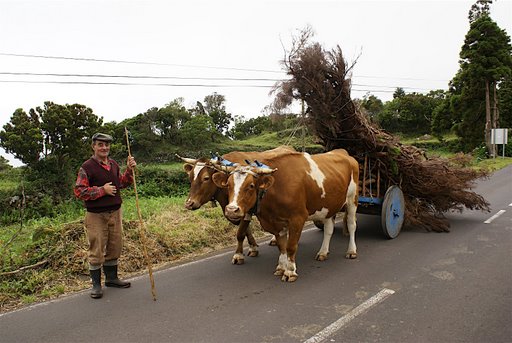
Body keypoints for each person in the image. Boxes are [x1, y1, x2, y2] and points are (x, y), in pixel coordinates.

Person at [74, 132, 136, 299]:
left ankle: (112, 278)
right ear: (93, 146)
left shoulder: (114, 165)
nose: (104, 148)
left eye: (107, 145)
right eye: (100, 144)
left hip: (115, 212)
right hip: (96, 215)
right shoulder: (87, 167)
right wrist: (102, 190)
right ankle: (96, 285)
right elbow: (79, 191)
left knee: (115, 245)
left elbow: (122, 183)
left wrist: (129, 170)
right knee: (97, 248)